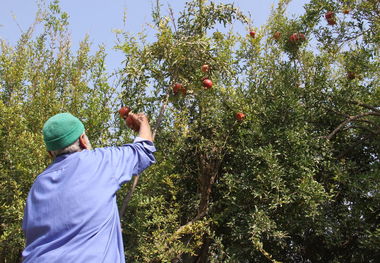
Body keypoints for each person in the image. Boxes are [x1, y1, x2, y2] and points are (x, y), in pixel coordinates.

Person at [22, 112, 156, 262]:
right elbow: (143, 149)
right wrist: (143, 123)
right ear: (83, 140)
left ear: (50, 153)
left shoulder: (37, 186)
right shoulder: (99, 162)